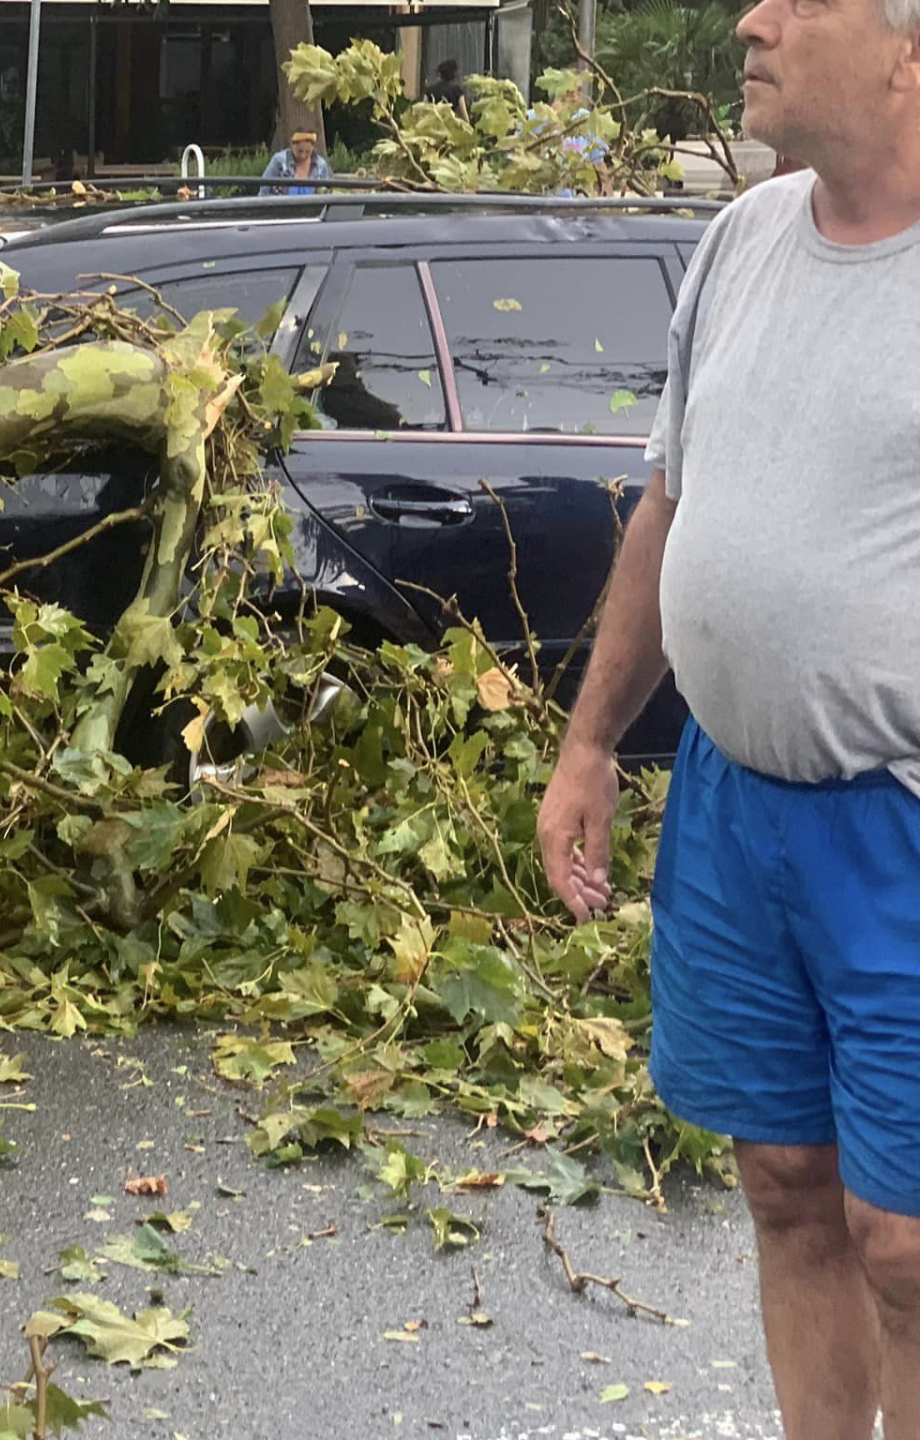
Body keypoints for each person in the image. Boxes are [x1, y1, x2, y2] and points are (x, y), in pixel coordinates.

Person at [534, 0, 920, 1434]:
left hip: (900, 824)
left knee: (909, 1243)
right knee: (784, 1187)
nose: (749, 21)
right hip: (731, 801)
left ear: (906, 48)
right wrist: (589, 743)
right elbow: (670, 506)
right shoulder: (742, 241)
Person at [260, 130, 331, 196]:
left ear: (313, 147)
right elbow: (264, 189)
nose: (303, 156)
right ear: (292, 145)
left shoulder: (321, 165)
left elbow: (326, 192)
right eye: (299, 151)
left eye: (308, 152)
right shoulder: (279, 161)